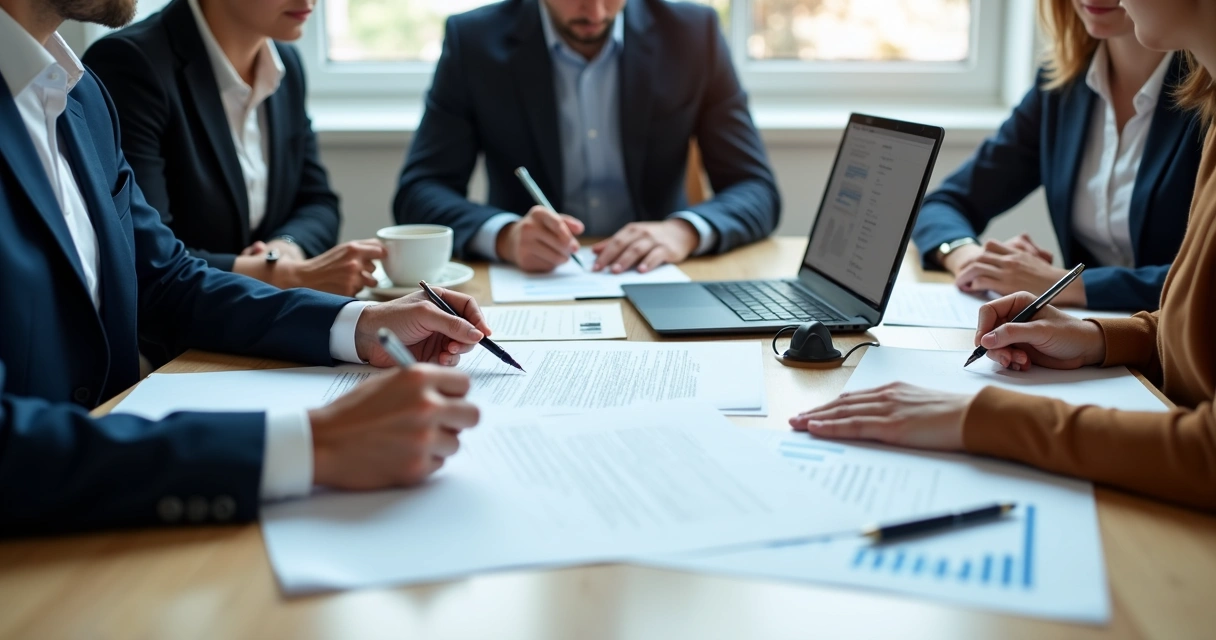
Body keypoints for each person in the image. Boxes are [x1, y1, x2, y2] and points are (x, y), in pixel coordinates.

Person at [0, 0, 491, 536]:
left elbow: (164, 279)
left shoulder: (80, 94)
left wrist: (359, 324)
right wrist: (312, 443)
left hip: (111, 519)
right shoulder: (118, 70)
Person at [791, 0, 1216, 513]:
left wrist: (983, 416)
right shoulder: (1070, 84)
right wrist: (1096, 335)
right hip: (1139, 388)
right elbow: (945, 204)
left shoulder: (1200, 101)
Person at [393, 0, 780, 274]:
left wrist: (684, 231)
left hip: (659, 275)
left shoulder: (694, 34)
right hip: (530, 285)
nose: (594, 12)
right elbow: (419, 191)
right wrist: (505, 237)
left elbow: (756, 188)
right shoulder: (474, 41)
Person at [910, 0, 1204, 312]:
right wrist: (974, 260)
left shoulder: (1207, 93)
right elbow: (942, 205)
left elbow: (1204, 280)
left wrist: (1061, 283)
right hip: (1085, 340)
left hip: (1177, 348)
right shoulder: (1060, 86)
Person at [81, 0, 383, 297]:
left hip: (262, 325)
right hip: (172, 337)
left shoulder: (285, 64)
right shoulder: (130, 63)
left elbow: (317, 202)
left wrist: (283, 247)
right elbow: (144, 251)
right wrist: (280, 276)